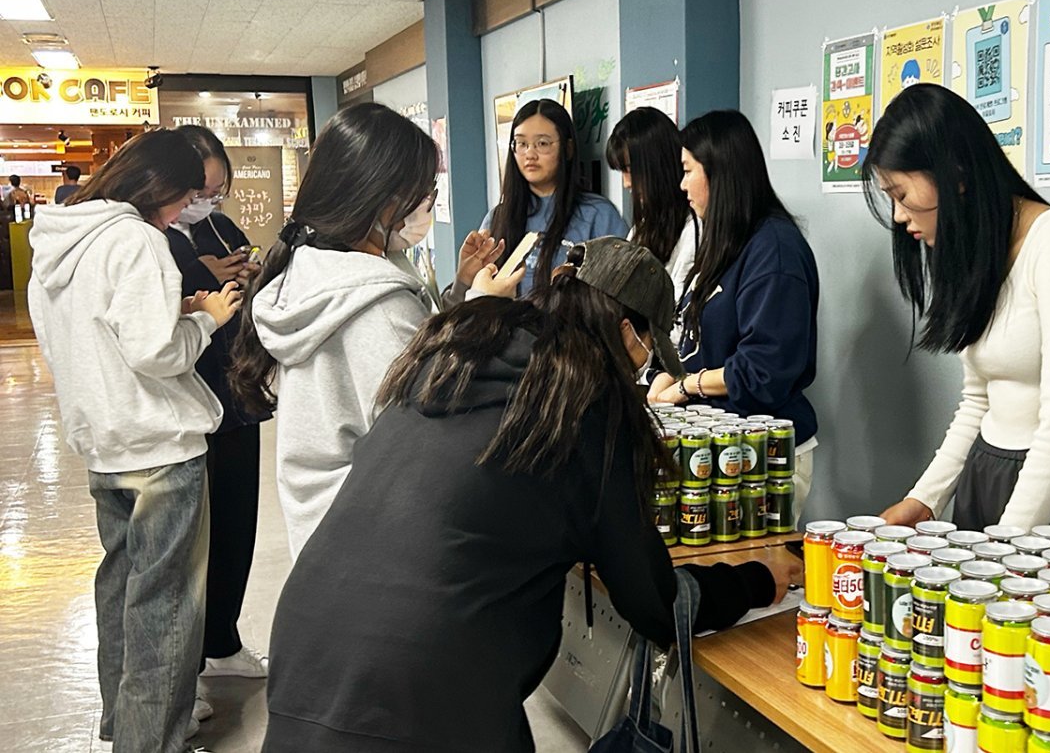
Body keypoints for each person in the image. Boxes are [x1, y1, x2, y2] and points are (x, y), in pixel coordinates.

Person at [262, 237, 799, 752]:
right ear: (627, 331)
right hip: (425, 689)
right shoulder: (583, 405)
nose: (642, 367)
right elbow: (652, 601)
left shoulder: (451, 356)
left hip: (304, 656)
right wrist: (756, 580)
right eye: (645, 351)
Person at [28, 128, 242, 753]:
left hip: (103, 443)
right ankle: (155, 743)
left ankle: (123, 729)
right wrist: (206, 319)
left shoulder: (59, 241)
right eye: (186, 197)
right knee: (167, 605)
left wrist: (174, 314)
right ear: (159, 187)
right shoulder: (140, 240)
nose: (185, 212)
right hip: (161, 449)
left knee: (121, 592)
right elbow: (154, 353)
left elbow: (91, 337)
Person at [230, 102, 521, 559]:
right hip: (377, 535)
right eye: (422, 193)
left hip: (326, 527)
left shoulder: (311, 268)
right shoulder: (376, 301)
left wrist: (462, 289)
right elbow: (434, 410)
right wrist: (486, 311)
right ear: (381, 195)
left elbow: (407, 355)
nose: (428, 204)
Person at [863, 84, 1050, 533]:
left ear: (955, 175)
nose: (898, 215)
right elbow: (977, 402)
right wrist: (925, 499)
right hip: (988, 470)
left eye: (901, 193)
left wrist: (1008, 542)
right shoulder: (977, 253)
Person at [647, 110, 820, 506]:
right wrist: (664, 374)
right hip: (716, 441)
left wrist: (687, 385)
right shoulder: (727, 239)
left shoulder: (774, 251)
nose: (682, 185)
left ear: (719, 172)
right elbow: (696, 335)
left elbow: (764, 371)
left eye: (689, 171)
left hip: (765, 452)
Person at [165, 125, 270, 684]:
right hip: (184, 402)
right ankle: (187, 664)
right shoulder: (152, 235)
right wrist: (201, 283)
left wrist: (247, 277)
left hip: (236, 393)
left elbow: (247, 279)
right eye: (196, 191)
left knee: (236, 522)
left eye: (215, 190)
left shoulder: (219, 224)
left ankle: (224, 639)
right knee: (188, 539)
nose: (204, 202)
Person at [470, 98, 627, 298]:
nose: (530, 154)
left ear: (568, 148)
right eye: (521, 143)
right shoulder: (498, 218)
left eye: (542, 143)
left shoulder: (599, 216)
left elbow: (619, 296)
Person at [606, 106, 700, 307]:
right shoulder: (644, 225)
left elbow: (675, 317)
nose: (626, 184)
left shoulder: (694, 231)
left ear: (657, 166)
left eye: (630, 170)